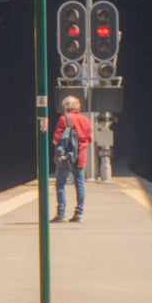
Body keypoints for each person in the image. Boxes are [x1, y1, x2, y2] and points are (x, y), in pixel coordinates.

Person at [50, 95, 93, 223]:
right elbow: (89, 139)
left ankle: (61, 213)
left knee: (60, 184)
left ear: (65, 107)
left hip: (66, 158)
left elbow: (56, 139)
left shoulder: (64, 119)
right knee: (79, 185)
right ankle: (79, 213)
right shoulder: (85, 120)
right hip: (81, 157)